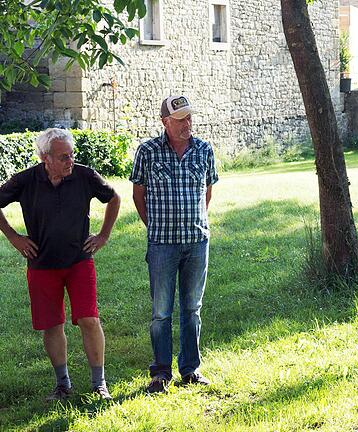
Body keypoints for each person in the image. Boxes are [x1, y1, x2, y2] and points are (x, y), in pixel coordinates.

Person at [0, 128, 120, 401]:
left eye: (71, 155)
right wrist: (14, 237)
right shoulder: (26, 180)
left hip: (78, 261)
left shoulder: (84, 175)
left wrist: (103, 235)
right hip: (41, 265)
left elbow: (113, 198)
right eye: (63, 157)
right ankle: (63, 384)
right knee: (52, 324)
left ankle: (99, 383)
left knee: (89, 319)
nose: (70, 161)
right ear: (45, 159)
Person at [131, 95, 218, 394]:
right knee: (161, 312)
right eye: (180, 119)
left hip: (196, 242)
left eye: (189, 118)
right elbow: (137, 196)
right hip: (162, 245)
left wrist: (194, 224)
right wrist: (156, 227)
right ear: (165, 122)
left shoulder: (204, 150)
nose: (187, 124)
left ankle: (191, 370)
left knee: (192, 309)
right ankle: (161, 372)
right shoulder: (148, 152)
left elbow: (207, 193)